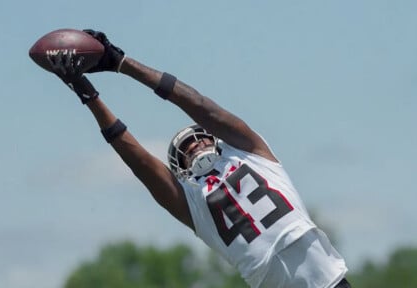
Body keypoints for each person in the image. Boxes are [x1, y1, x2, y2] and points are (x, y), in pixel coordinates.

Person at [40, 29, 351, 288]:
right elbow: (137, 159)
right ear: (182, 170)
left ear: (215, 139)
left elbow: (200, 105)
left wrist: (121, 63)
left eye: (196, 140)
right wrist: (88, 95)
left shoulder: (251, 151)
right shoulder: (193, 203)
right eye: (185, 152)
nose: (193, 148)